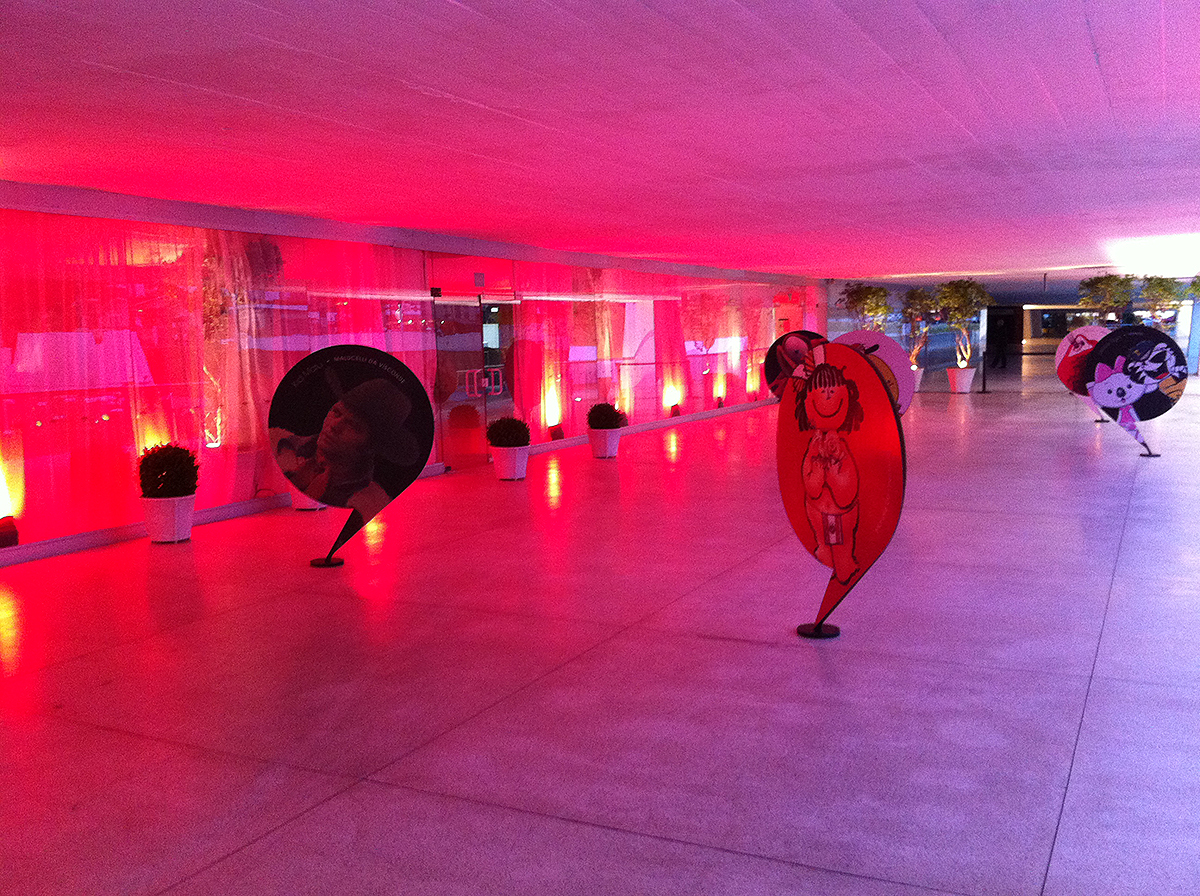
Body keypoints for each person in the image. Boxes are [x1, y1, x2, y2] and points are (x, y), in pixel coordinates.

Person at [272, 377, 420, 523]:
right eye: (336, 413)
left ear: (369, 445)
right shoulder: (287, 448)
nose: (334, 426)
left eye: (352, 425)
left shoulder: (368, 502)